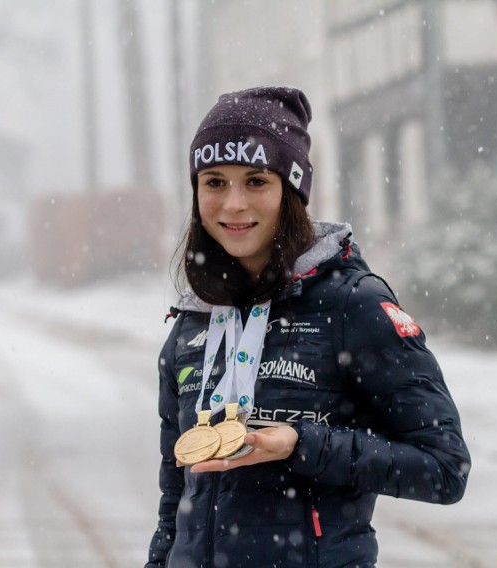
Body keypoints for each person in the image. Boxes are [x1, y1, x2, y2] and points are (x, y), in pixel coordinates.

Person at [147, 86, 470, 568]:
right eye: (214, 182)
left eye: (256, 181)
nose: (233, 204)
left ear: (291, 192)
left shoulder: (351, 306)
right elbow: (175, 500)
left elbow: (444, 469)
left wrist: (304, 445)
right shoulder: (193, 322)